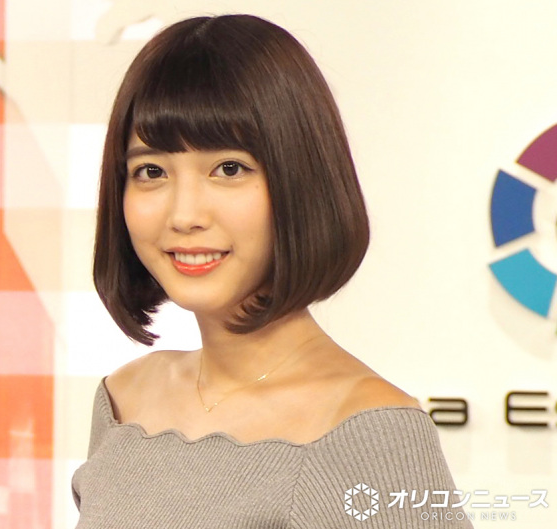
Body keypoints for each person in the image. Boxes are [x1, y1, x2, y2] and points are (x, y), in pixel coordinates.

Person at [72, 14, 473, 528]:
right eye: (151, 171)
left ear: (299, 180)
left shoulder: (370, 431)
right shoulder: (125, 398)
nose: (184, 214)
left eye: (229, 169)